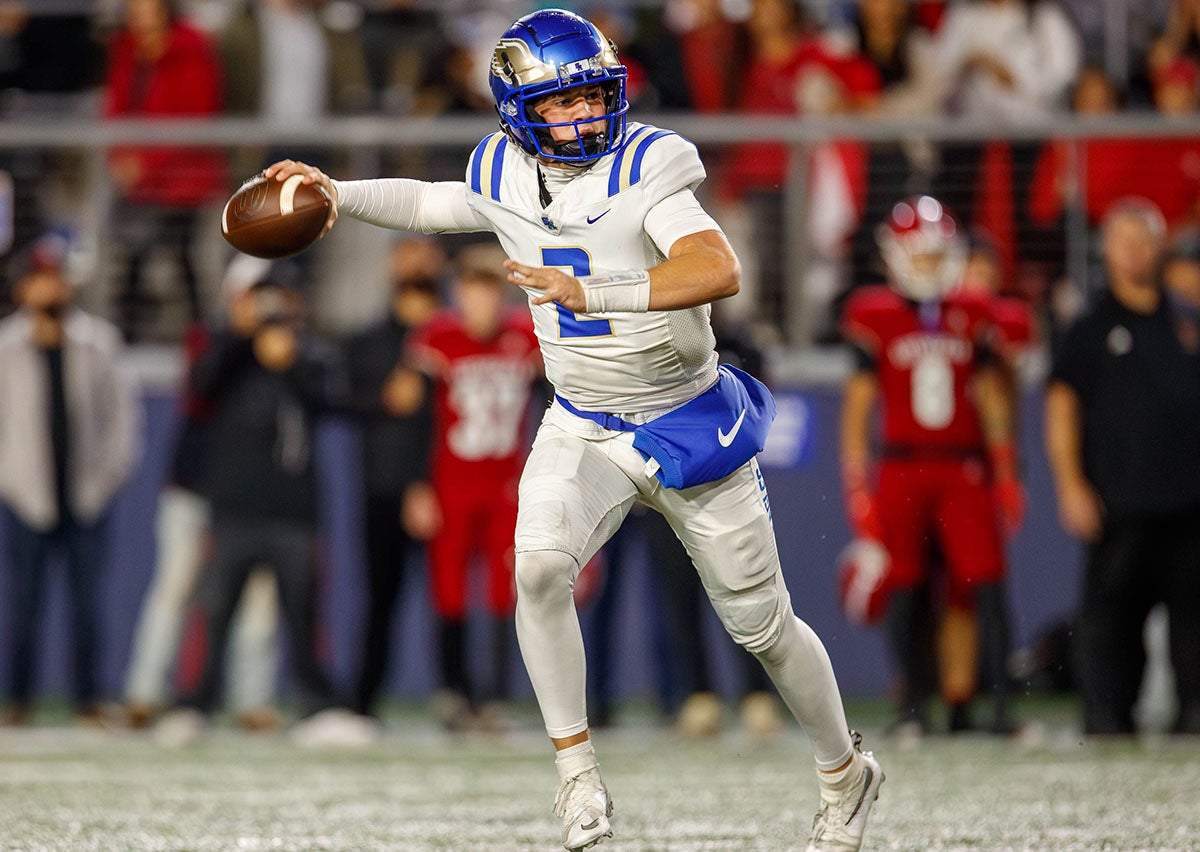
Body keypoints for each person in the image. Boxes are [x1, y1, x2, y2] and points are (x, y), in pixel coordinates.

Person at [265, 9, 882, 850]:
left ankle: (845, 773)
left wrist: (599, 292)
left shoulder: (649, 162)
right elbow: (437, 201)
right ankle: (578, 778)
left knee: (765, 630)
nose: (584, 115)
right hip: (584, 421)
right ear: (518, 109)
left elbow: (716, 268)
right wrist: (341, 193)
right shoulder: (505, 169)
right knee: (541, 571)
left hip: (683, 416)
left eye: (593, 95)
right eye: (560, 103)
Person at [155, 268, 372, 747]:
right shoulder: (227, 350)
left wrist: (289, 360)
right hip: (233, 507)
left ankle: (318, 707)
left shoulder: (311, 353)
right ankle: (192, 707)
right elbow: (201, 388)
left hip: (294, 510)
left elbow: (337, 401)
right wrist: (242, 338)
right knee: (212, 613)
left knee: (303, 615)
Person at [839, 197, 1026, 736]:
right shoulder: (874, 313)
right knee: (904, 585)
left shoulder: (973, 312)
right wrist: (856, 483)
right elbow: (858, 408)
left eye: (934, 255)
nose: (928, 265)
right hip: (901, 466)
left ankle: (991, 707)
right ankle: (912, 707)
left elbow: (991, 398)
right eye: (919, 256)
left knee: (983, 584)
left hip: (963, 466)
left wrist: (1007, 470)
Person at [1045, 198, 1200, 735]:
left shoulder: (1187, 321)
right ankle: (1106, 717)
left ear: (1160, 248)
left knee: (1193, 625)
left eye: (1144, 240)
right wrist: (1070, 485)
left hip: (1189, 507)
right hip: (1118, 506)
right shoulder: (1089, 330)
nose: (1134, 252)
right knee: (1110, 625)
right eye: (1124, 240)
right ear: (1107, 251)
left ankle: (1194, 717)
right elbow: (1062, 409)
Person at [0, 233, 141, 724]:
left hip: (84, 494)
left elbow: (122, 423)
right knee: (23, 606)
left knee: (87, 607)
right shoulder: (6, 346)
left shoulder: (97, 343)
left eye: (55, 278)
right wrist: (11, 483)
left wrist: (103, 483)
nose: (48, 289)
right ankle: (18, 700)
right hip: (26, 496)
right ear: (22, 287)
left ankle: (89, 699)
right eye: (39, 278)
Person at [409, 264, 541, 730]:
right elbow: (415, 419)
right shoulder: (438, 339)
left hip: (505, 483)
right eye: (472, 294)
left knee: (505, 591)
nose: (480, 306)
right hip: (453, 482)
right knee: (450, 590)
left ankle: (496, 697)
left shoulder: (524, 336)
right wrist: (418, 484)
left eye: (488, 296)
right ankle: (454, 691)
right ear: (458, 296)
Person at [341, 245, 441, 719]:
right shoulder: (369, 343)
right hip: (382, 487)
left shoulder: (449, 338)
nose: (416, 269)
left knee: (452, 600)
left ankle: (461, 696)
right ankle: (364, 699)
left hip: (444, 488)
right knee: (380, 599)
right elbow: (342, 400)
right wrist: (384, 396)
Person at [103, 0, 225, 339]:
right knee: (132, 260)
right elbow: (116, 107)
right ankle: (126, 339)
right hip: (136, 183)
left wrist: (145, 163)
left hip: (181, 182)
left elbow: (195, 116)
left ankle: (201, 339)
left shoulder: (192, 46)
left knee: (181, 259)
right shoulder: (126, 47)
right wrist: (120, 158)